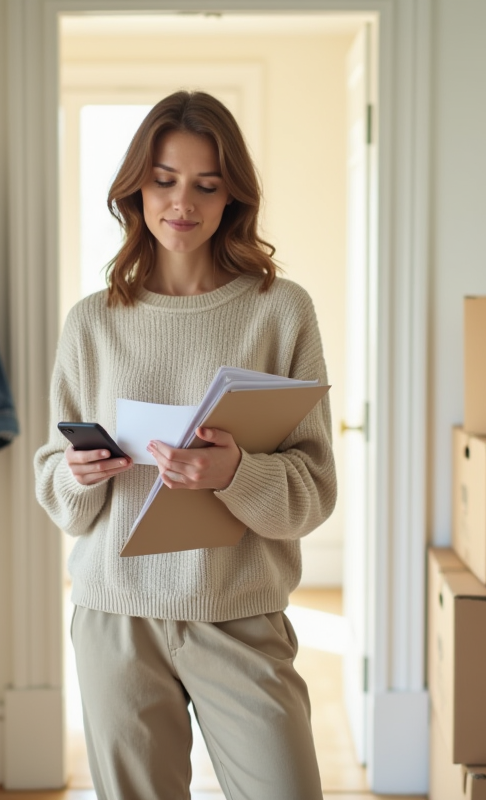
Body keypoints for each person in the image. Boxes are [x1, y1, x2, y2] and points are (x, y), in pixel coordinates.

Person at [34, 90, 336, 800]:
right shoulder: (91, 323)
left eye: (207, 184)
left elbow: (314, 490)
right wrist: (78, 474)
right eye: (165, 180)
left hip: (241, 612)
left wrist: (234, 473)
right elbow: (57, 485)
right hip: (116, 620)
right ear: (136, 186)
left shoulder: (280, 310)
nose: (182, 203)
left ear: (233, 196)